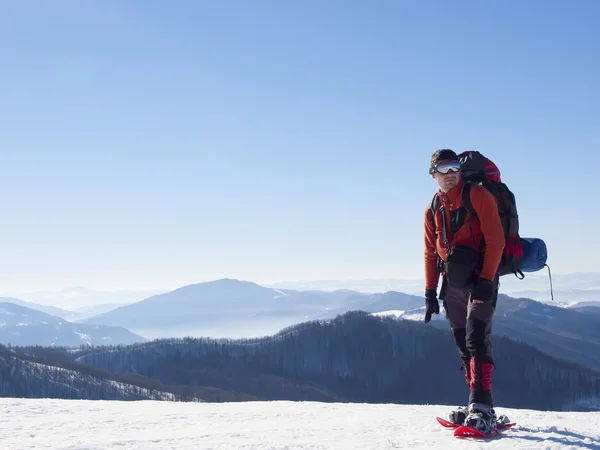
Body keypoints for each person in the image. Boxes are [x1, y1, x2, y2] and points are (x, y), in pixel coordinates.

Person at [423, 149, 505, 433]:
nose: (449, 173)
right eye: (442, 169)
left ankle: (482, 406)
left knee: (477, 338)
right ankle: (475, 404)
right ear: (433, 174)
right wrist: (430, 292)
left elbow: (496, 240)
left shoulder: (479, 196)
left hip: (481, 279)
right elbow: (430, 253)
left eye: (453, 166)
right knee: (463, 344)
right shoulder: (433, 207)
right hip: (452, 284)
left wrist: (486, 278)